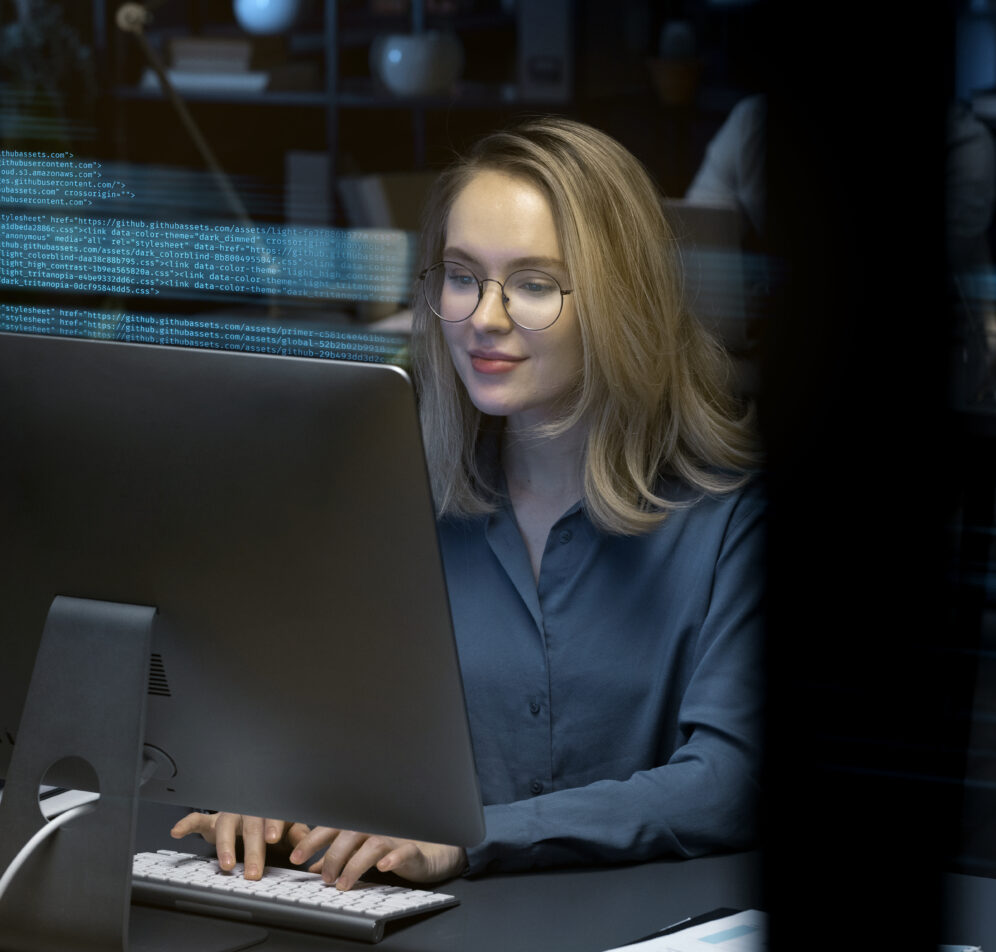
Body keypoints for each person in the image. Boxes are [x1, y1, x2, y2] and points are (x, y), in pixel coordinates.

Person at [172, 116, 765, 891]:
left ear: (625, 301)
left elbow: (729, 782)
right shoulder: (386, 495)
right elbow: (310, 712)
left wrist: (465, 840)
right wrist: (262, 784)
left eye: (533, 283)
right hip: (417, 937)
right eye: (462, 276)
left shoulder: (729, 520)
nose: (484, 318)